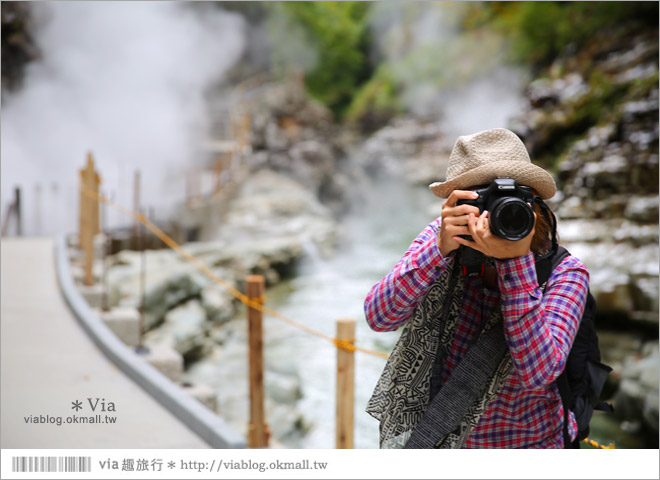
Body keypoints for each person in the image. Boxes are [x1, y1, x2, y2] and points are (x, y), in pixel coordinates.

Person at [364, 128, 589, 449]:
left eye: (514, 199)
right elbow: (379, 317)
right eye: (484, 200)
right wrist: (438, 249)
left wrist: (516, 264)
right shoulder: (443, 237)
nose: (496, 213)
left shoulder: (564, 272)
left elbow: (539, 373)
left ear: (534, 204)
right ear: (458, 203)